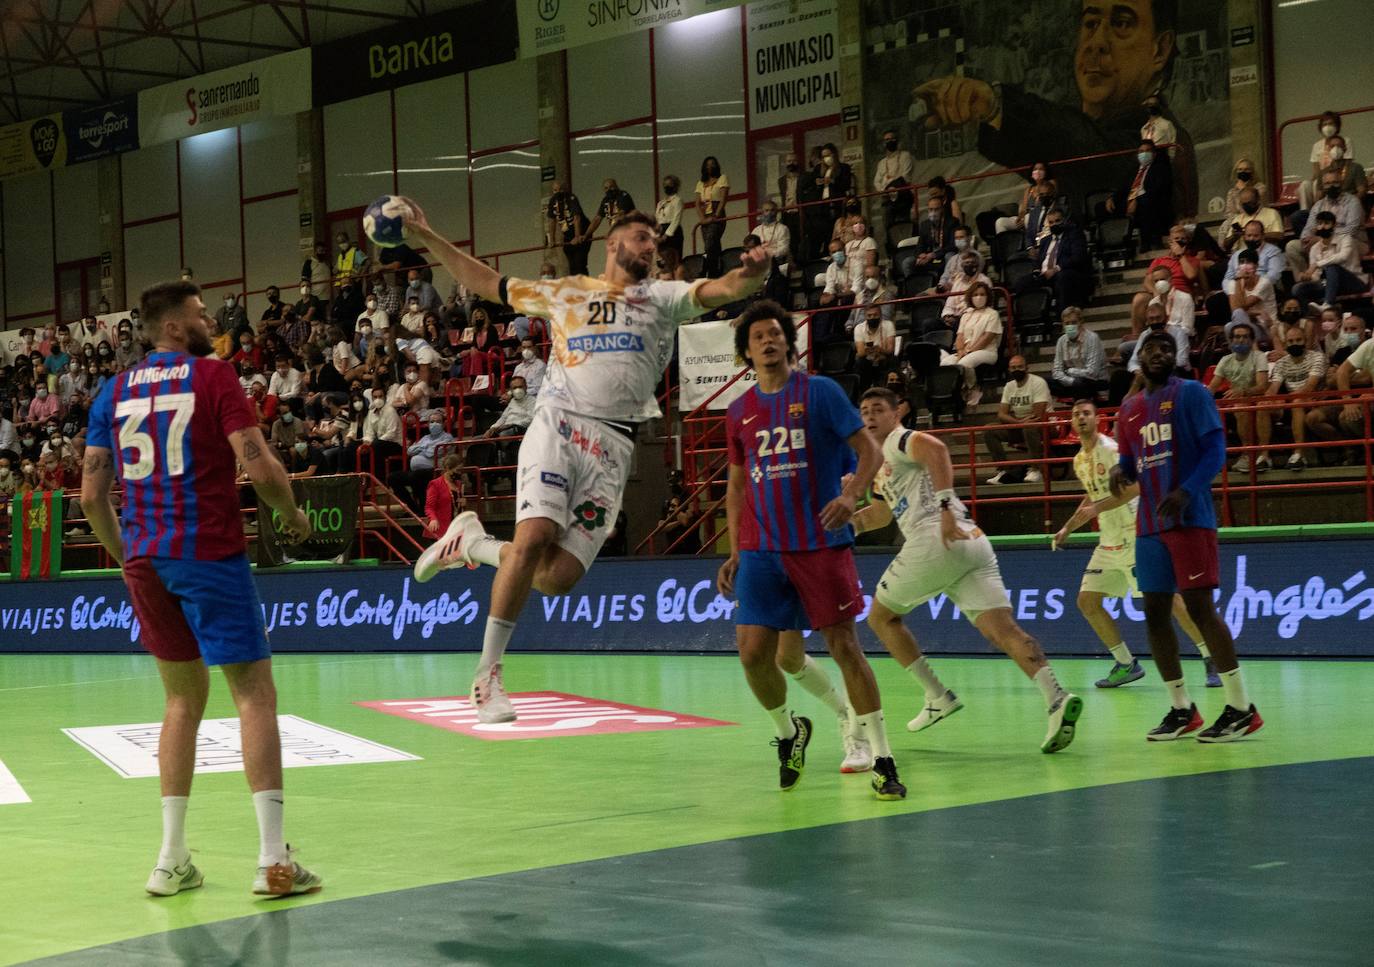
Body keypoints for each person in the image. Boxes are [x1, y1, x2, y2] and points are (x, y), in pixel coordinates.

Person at [409, 201, 769, 723]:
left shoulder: (663, 298)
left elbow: (722, 289)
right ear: (614, 244)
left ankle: (474, 543)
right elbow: (487, 282)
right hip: (558, 422)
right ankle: (488, 677)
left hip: (615, 447)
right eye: (641, 237)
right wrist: (427, 236)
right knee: (533, 537)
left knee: (555, 578)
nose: (651, 245)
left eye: (654, 240)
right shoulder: (568, 291)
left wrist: (749, 275)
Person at [78, 280, 322, 898]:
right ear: (171, 327)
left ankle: (171, 858)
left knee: (181, 702)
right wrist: (292, 515)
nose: (210, 320)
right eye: (199, 313)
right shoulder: (213, 378)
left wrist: (128, 553)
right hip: (207, 550)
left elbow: (89, 496)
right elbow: (260, 466)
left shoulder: (113, 391)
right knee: (254, 695)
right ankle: (273, 861)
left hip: (146, 559)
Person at [716, 303, 905, 799]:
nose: (767, 341)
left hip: (819, 542)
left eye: (775, 334)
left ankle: (883, 756)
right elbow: (737, 487)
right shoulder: (739, 412)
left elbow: (871, 451)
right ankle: (788, 733)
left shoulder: (819, 392)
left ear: (789, 343)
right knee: (755, 653)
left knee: (844, 647)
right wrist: (736, 550)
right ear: (746, 351)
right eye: (757, 337)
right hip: (761, 550)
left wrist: (850, 496)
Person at [854, 387, 1083, 752]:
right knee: (1003, 630)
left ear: (897, 413)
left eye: (878, 409)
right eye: (864, 410)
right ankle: (1056, 697)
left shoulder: (901, 439)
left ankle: (937, 695)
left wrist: (944, 506)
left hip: (937, 537)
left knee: (880, 619)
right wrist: (844, 523)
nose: (869, 416)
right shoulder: (880, 462)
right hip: (971, 541)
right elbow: (880, 514)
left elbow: (938, 450)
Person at [1110, 329, 1264, 741]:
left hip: (1190, 517)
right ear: (1138, 359)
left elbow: (1216, 451)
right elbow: (1129, 460)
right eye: (1150, 348)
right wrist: (1118, 471)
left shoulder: (1193, 394)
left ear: (1176, 357)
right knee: (1155, 614)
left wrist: (1187, 490)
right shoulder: (1128, 410)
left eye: (1166, 348)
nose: (1158, 353)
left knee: (1200, 609)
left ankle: (1240, 708)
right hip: (1149, 526)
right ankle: (1181, 710)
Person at [1052, 398, 1219, 689]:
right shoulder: (1079, 460)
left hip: (1133, 535)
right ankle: (1126, 663)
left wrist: (1097, 509)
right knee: (1087, 602)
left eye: (1086, 413)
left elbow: (1136, 487)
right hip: (1108, 542)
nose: (1081, 418)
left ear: (1097, 419)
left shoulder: (1111, 450)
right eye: (1076, 414)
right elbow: (1093, 497)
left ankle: (1210, 657)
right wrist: (1068, 527)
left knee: (1170, 602)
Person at [1208, 317, 1271, 473]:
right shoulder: (1225, 360)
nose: (1241, 340)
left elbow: (1262, 387)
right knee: (1240, 406)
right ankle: (1247, 454)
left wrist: (1243, 392)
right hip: (1241, 404)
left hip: (1260, 401)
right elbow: (1212, 388)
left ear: (1251, 340)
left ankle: (1264, 456)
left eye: (1245, 337)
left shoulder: (1259, 356)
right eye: (1237, 337)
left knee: (1256, 406)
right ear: (1231, 340)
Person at [1265, 326, 1327, 471]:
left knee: (1297, 402)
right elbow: (1273, 387)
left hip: (1315, 401)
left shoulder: (1317, 357)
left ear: (1305, 341)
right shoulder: (1281, 363)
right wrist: (1269, 398)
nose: (1294, 344)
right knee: (1263, 405)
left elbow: (1310, 386)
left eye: (1298, 340)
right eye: (1290, 341)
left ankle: (1299, 453)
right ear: (1285, 344)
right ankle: (1263, 455)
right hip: (1292, 403)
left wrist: (1287, 399)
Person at [985, 357, 1049, 484]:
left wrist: (1019, 422)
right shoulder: (1009, 386)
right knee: (989, 430)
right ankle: (1002, 471)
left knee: (1030, 426)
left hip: (1044, 425)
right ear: (1009, 369)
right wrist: (1019, 423)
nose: (1017, 370)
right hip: (1020, 425)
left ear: (1027, 368)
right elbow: (1001, 414)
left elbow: (1038, 414)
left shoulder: (1038, 382)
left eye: (1020, 367)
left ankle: (1035, 470)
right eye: (1013, 368)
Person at [1292, 211, 1369, 312]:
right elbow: (1316, 275)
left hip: (1353, 282)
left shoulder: (1346, 239)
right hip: (1329, 284)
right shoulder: (1314, 248)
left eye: (1326, 223)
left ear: (1334, 225)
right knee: (1298, 288)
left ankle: (1327, 304)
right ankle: (1309, 316)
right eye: (1320, 224)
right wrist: (1308, 277)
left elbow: (1342, 257)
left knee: (1332, 267)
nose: (1323, 227)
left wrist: (1317, 264)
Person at [1049, 307, 1108, 399]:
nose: (1070, 326)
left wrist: (1071, 371)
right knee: (1045, 382)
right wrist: (1072, 381)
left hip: (1094, 381)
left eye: (1074, 322)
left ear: (1081, 322)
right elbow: (1056, 371)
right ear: (1063, 325)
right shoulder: (1061, 341)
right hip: (1072, 382)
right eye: (1067, 323)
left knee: (1081, 384)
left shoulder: (1092, 338)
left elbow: (1092, 373)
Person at [546, 182, 592, 276]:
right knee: (572, 265)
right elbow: (551, 221)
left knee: (580, 263)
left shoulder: (571, 198)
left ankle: (584, 286)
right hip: (568, 235)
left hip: (582, 232)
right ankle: (575, 286)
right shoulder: (552, 201)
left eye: (560, 189)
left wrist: (577, 236)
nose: (558, 192)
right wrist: (552, 240)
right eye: (555, 190)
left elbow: (576, 217)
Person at [695, 156, 730, 278]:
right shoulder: (700, 183)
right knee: (714, 246)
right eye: (707, 164)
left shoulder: (722, 178)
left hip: (717, 214)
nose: (710, 166)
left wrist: (716, 215)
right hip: (705, 216)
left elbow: (723, 199)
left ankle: (708, 271)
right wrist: (702, 219)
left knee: (710, 244)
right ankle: (717, 272)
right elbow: (697, 203)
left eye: (713, 164)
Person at [424, 453, 467, 539]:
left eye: (461, 470)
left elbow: (457, 507)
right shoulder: (435, 484)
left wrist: (464, 504)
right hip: (440, 529)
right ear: (448, 468)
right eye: (457, 470)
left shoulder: (458, 484)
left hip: (455, 529)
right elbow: (429, 507)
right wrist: (433, 519)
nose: (460, 473)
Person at [655, 175, 684, 276]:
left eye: (669, 185)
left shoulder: (677, 201)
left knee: (675, 261)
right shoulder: (661, 203)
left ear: (675, 186)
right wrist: (657, 235)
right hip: (661, 230)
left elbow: (676, 219)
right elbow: (657, 219)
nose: (667, 187)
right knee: (664, 262)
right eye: (665, 185)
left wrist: (666, 235)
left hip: (673, 232)